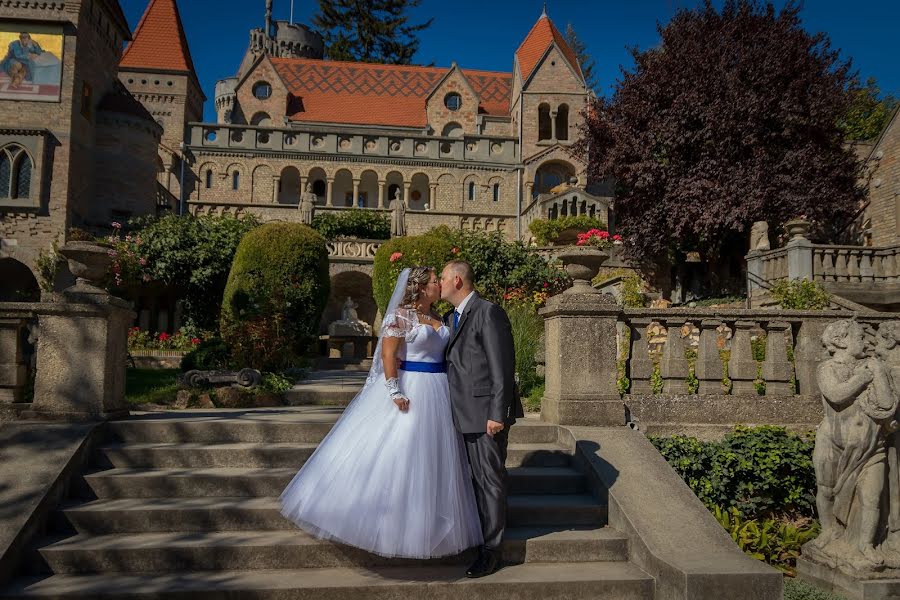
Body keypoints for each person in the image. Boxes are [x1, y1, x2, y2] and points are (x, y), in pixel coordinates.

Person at [280, 266, 482, 558]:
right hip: (413, 387)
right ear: (422, 287)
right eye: (435, 281)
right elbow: (388, 354)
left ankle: (431, 522)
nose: (440, 284)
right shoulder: (400, 315)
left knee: (437, 457)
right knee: (404, 452)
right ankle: (392, 525)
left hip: (441, 389)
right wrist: (394, 390)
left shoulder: (441, 317)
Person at [440, 260, 523, 577]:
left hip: (484, 416)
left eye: (444, 278)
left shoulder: (488, 312)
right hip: (461, 414)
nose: (441, 283)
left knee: (489, 481)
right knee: (476, 481)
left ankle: (492, 552)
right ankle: (483, 537)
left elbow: (502, 366)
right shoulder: (453, 316)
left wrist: (496, 414)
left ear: (457, 280)